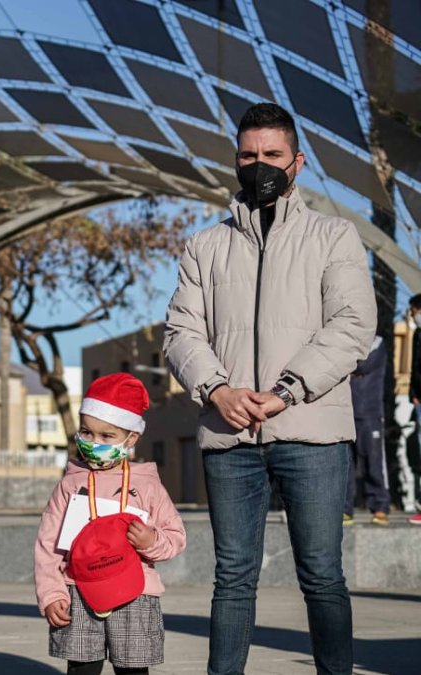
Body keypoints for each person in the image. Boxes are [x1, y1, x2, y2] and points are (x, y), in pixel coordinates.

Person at [164, 103, 375, 675]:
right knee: (232, 578)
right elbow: (182, 330)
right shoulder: (205, 246)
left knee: (322, 575)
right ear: (236, 160)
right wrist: (217, 390)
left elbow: (354, 324)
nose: (260, 166)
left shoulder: (334, 236)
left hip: (311, 433)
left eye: (272, 155)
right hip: (229, 436)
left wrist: (287, 390)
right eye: (249, 155)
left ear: (297, 162)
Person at [35, 373, 185, 675]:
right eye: (87, 433)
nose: (94, 443)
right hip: (76, 588)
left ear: (132, 439)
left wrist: (151, 541)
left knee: (132, 668)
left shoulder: (148, 486)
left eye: (107, 436)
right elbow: (48, 543)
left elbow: (176, 536)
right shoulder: (70, 483)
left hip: (136, 592)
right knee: (82, 666)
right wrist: (52, 594)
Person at [345, 337, 390, 526]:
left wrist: (346, 362)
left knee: (374, 462)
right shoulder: (346, 337)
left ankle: (379, 506)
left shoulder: (377, 342)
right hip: (347, 412)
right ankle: (345, 509)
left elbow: (363, 365)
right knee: (346, 465)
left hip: (370, 412)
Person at [408, 295, 421, 526]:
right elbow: (414, 367)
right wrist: (414, 394)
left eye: (413, 311)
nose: (411, 314)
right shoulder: (418, 334)